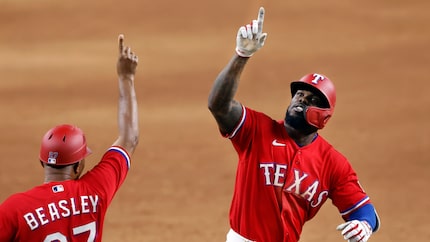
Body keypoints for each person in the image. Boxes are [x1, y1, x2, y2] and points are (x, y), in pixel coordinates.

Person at [208, 7, 380, 242]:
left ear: (324, 117)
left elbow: (364, 209)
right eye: (299, 95)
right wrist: (241, 55)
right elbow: (219, 105)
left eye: (311, 100)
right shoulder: (257, 130)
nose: (301, 100)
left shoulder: (332, 163)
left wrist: (364, 225)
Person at [0, 34, 139, 242]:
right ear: (78, 166)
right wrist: (126, 77)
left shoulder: (13, 209)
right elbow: (129, 138)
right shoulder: (96, 189)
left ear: (42, 161)